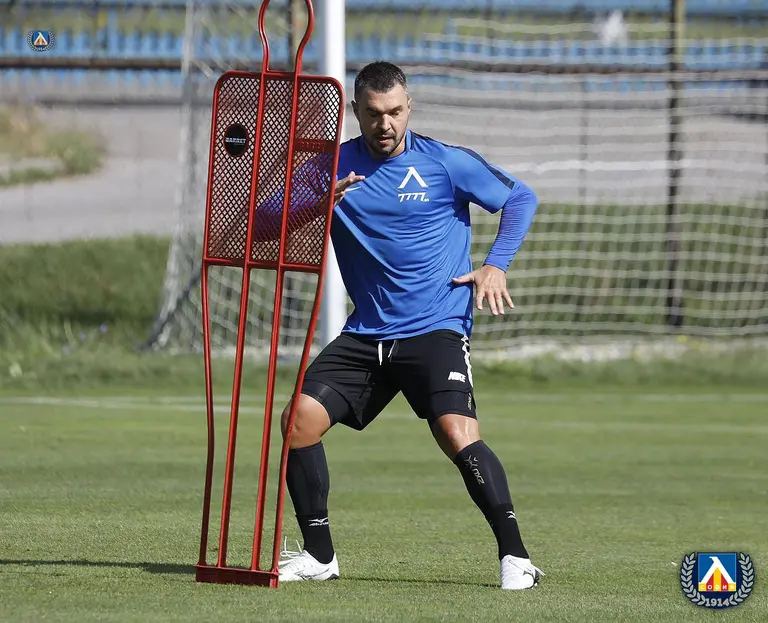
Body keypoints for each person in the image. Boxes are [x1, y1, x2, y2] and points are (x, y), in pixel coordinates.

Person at [277, 61, 542, 590]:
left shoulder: (444, 162)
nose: (386, 124)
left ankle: (516, 558)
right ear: (355, 111)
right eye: (374, 113)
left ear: (409, 108)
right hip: (367, 333)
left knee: (456, 433)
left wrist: (496, 264)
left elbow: (520, 197)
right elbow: (265, 221)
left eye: (395, 112)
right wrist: (317, 203)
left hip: (435, 326)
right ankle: (320, 556)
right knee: (298, 421)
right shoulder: (329, 167)